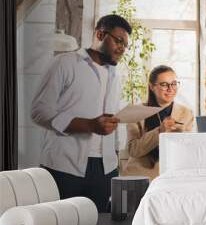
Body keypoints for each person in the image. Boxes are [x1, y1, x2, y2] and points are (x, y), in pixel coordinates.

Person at [31, 14, 132, 212]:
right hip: (63, 166)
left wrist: (116, 158)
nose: (122, 48)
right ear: (100, 34)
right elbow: (39, 111)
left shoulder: (115, 75)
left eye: (125, 45)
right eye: (119, 40)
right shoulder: (65, 63)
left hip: (105, 169)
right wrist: (90, 125)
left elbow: (111, 120)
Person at [123, 65, 193, 180]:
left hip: (171, 177)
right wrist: (159, 131)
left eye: (174, 83)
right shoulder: (135, 112)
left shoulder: (186, 113)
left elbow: (186, 151)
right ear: (152, 86)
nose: (170, 88)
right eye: (164, 84)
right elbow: (133, 150)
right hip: (139, 177)